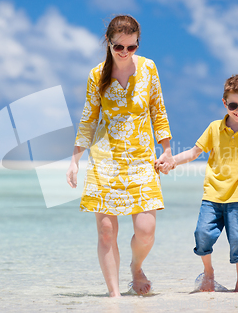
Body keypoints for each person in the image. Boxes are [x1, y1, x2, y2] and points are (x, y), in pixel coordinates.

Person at [66, 15, 175, 297]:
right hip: (105, 160)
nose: (125, 53)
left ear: (138, 43)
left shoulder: (149, 69)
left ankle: (136, 267)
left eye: (131, 47)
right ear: (109, 43)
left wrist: (167, 151)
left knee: (146, 230)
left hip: (142, 160)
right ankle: (114, 298)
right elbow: (88, 119)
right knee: (105, 231)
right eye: (119, 47)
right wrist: (75, 160)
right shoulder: (96, 75)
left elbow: (158, 112)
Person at [156, 74, 238, 292]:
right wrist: (172, 161)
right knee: (202, 235)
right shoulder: (214, 128)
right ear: (225, 103)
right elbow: (195, 152)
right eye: (233, 104)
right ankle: (209, 273)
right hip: (212, 195)